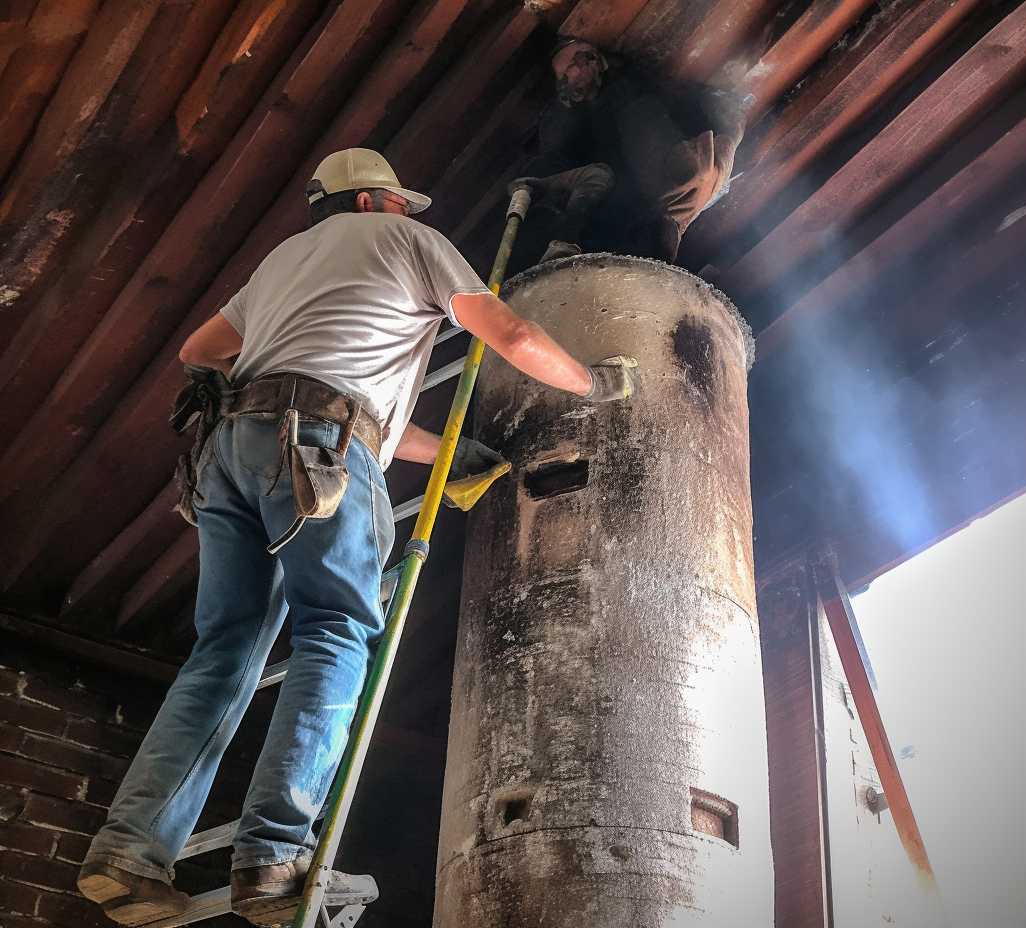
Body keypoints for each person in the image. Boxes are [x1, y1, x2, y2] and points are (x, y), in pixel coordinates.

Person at [75, 148, 637, 927]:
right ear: (375, 201)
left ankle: (128, 852)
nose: (409, 211)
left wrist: (446, 454)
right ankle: (273, 853)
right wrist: (594, 383)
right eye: (401, 202)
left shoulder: (283, 261)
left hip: (231, 455)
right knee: (336, 630)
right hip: (318, 444)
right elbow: (503, 329)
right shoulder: (409, 242)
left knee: (223, 655)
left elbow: (202, 354)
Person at [510, 36, 750, 269]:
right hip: (620, 213)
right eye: (570, 67)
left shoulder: (635, 83)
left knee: (693, 170)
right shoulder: (568, 125)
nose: (581, 65)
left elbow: (686, 104)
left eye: (585, 56)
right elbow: (554, 158)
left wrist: (726, 120)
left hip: (663, 186)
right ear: (562, 87)